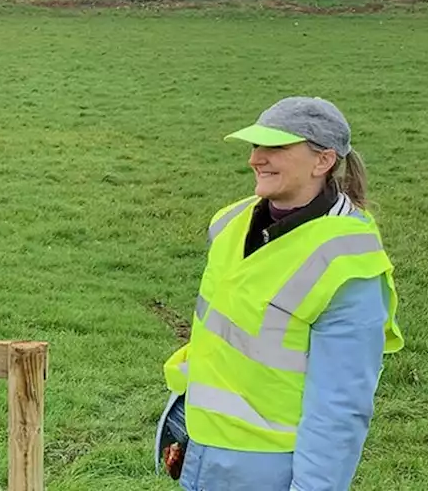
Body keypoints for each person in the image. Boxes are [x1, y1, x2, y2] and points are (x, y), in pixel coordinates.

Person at [154, 96, 405, 491]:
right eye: (255, 146)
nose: (256, 158)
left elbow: (339, 410)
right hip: (199, 447)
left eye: (275, 147)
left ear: (322, 161)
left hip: (264, 470)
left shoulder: (348, 263)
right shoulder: (232, 221)